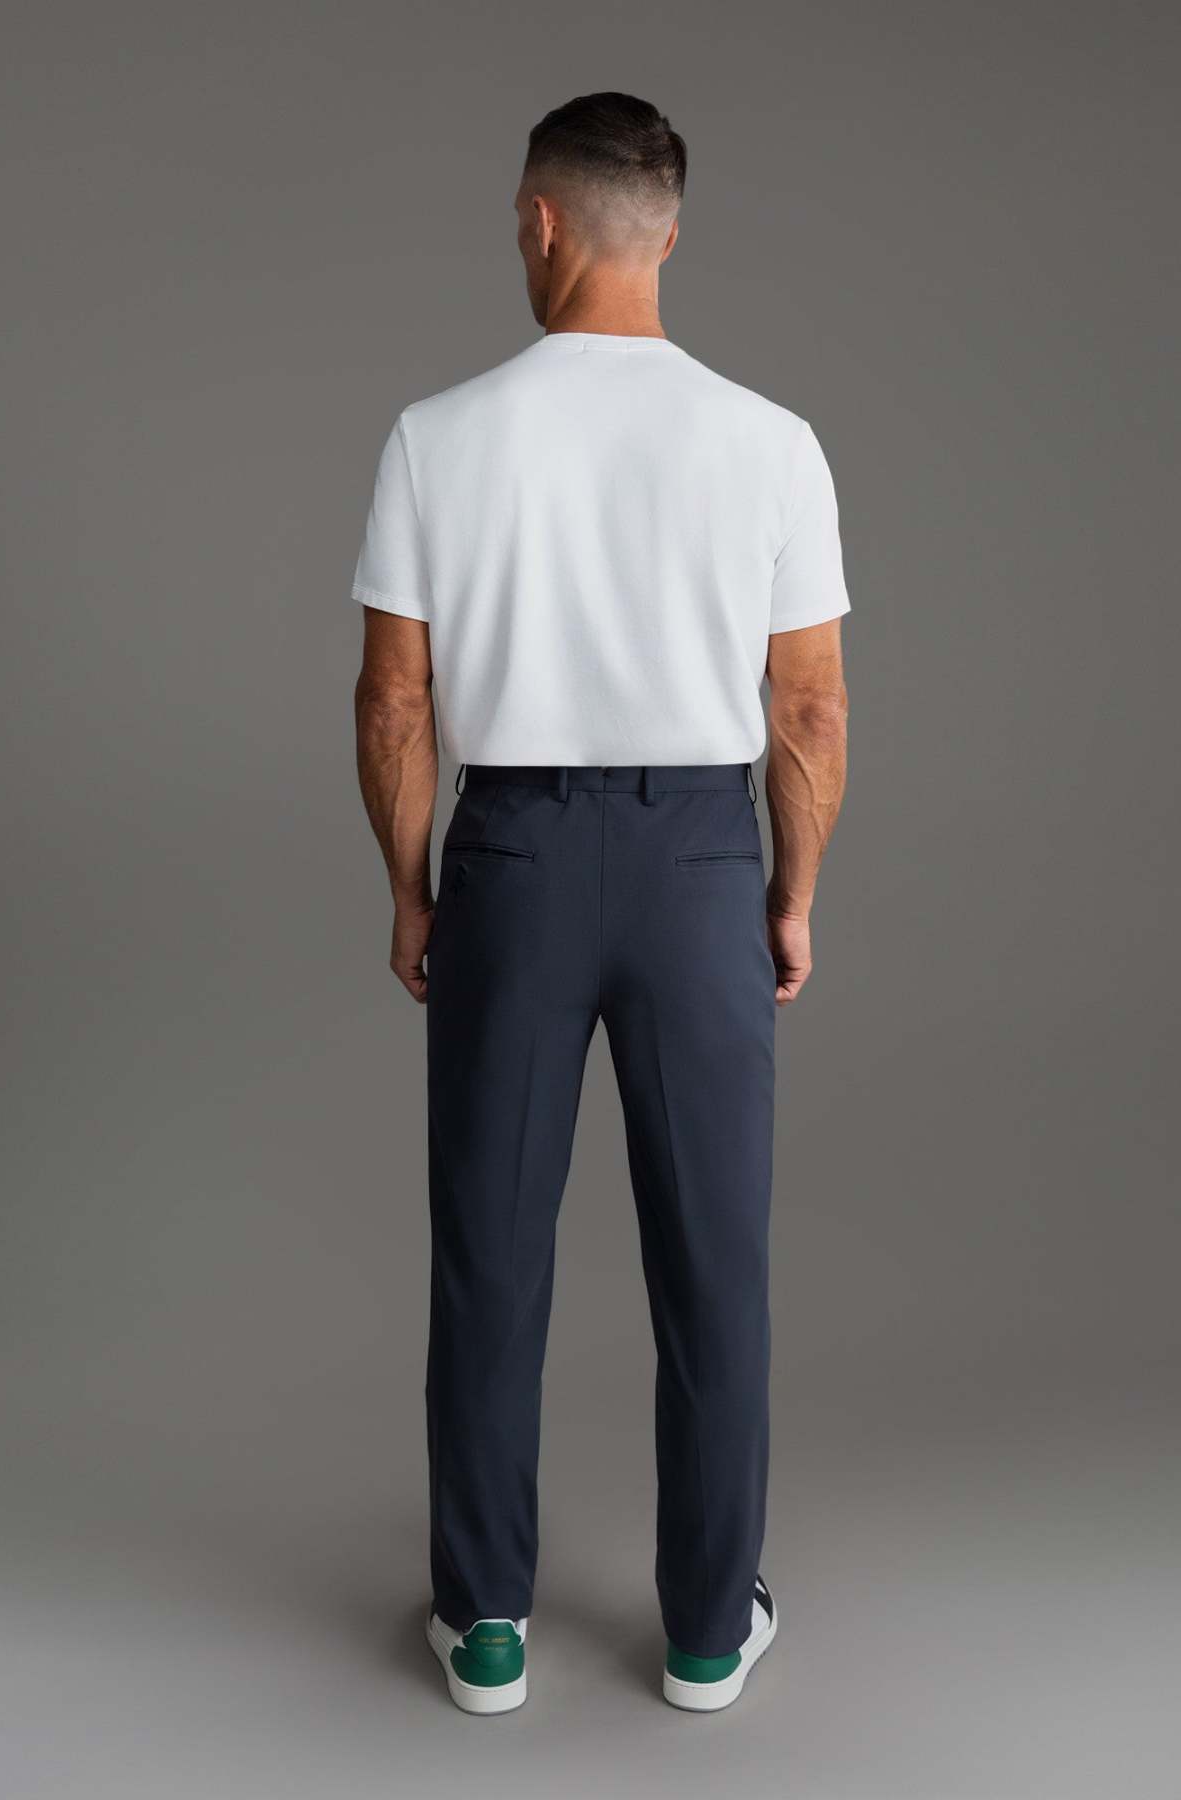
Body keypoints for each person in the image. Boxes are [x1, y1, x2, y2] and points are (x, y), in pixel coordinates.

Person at [351, 91, 849, 1714]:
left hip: (513, 860)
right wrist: (789, 898)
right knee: (715, 1260)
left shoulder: (437, 437)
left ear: (540, 222)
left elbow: (397, 702)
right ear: (671, 233)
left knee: (491, 1252)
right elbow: (809, 709)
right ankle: (707, 1631)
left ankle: (486, 1625)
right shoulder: (772, 442)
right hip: (702, 861)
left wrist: (413, 892)